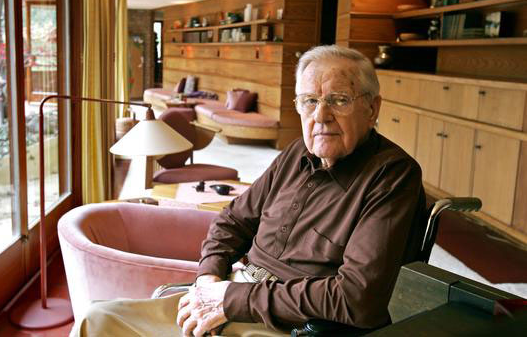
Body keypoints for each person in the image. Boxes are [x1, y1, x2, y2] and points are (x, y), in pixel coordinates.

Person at [74, 45, 426, 337]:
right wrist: (209, 277)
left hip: (291, 324)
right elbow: (233, 221)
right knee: (98, 319)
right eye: (308, 101)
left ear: (372, 108)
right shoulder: (295, 154)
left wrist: (232, 299)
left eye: (338, 100)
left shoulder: (392, 175)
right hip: (231, 289)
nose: (321, 116)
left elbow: (356, 298)